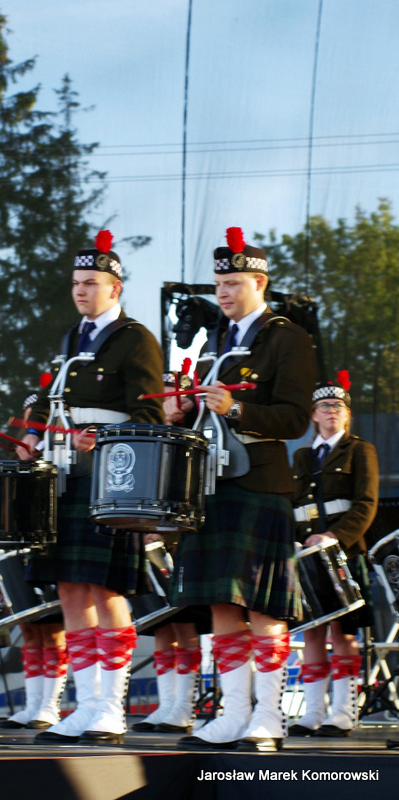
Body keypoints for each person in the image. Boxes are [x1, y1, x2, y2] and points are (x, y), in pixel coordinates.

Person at [166, 225, 316, 752]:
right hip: (213, 485)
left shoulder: (287, 338)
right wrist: (186, 409)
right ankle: (233, 714)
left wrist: (237, 409)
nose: (223, 293)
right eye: (218, 285)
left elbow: (295, 419)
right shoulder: (218, 341)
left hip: (259, 484)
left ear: (259, 283)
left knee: (263, 607)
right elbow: (209, 414)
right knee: (222, 605)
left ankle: (269, 716)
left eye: (232, 284)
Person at [16, 230, 165, 745]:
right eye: (77, 283)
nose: (80, 291)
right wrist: (32, 435)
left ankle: (111, 708)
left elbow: (149, 414)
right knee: (70, 589)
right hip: (64, 476)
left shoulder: (136, 339)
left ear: (115, 288)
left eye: (91, 283)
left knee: (105, 590)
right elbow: (50, 398)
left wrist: (100, 436)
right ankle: (84, 705)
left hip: (110, 478)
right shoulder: (70, 339)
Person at [289, 374, 378, 737]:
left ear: (347, 414)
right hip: (307, 556)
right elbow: (294, 507)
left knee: (344, 633)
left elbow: (366, 504)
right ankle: (312, 712)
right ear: (313, 415)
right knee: (312, 633)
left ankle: (342, 713)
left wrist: (333, 537)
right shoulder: (302, 456)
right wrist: (299, 541)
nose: (331, 411)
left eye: (338, 406)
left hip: (343, 553)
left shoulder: (360, 450)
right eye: (324, 406)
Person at [0, 386, 69, 730]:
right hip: (23, 548)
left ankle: (50, 706)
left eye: (36, 419)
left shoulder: (58, 452)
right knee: (29, 631)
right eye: (28, 419)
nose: (31, 425)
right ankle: (32, 705)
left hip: (51, 542)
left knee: (54, 632)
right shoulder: (17, 456)